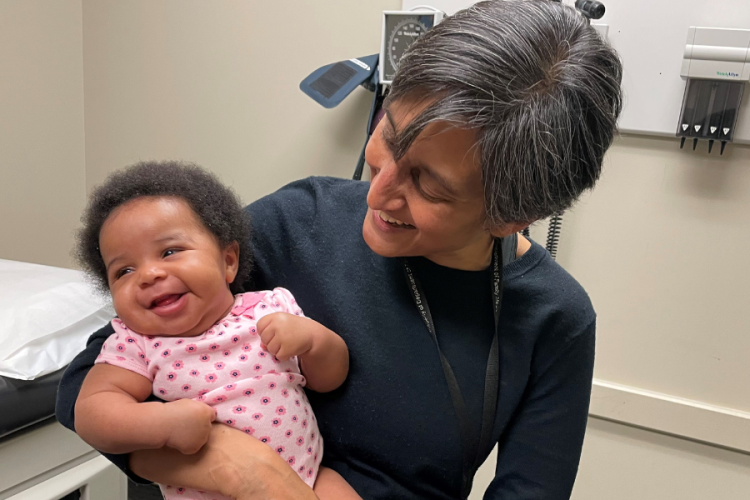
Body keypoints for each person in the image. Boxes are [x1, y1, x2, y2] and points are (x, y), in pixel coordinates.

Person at [56, 1, 623, 499]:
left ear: (510, 216)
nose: (377, 190)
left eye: (428, 184)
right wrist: (233, 469)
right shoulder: (297, 220)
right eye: (389, 132)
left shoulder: (555, 319)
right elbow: (86, 384)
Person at [72, 164, 360, 500]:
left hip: (310, 476)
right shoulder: (137, 344)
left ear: (228, 261)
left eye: (169, 252)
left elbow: (331, 379)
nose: (148, 274)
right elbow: (92, 412)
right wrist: (162, 423)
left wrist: (313, 341)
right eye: (124, 271)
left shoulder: (268, 307)